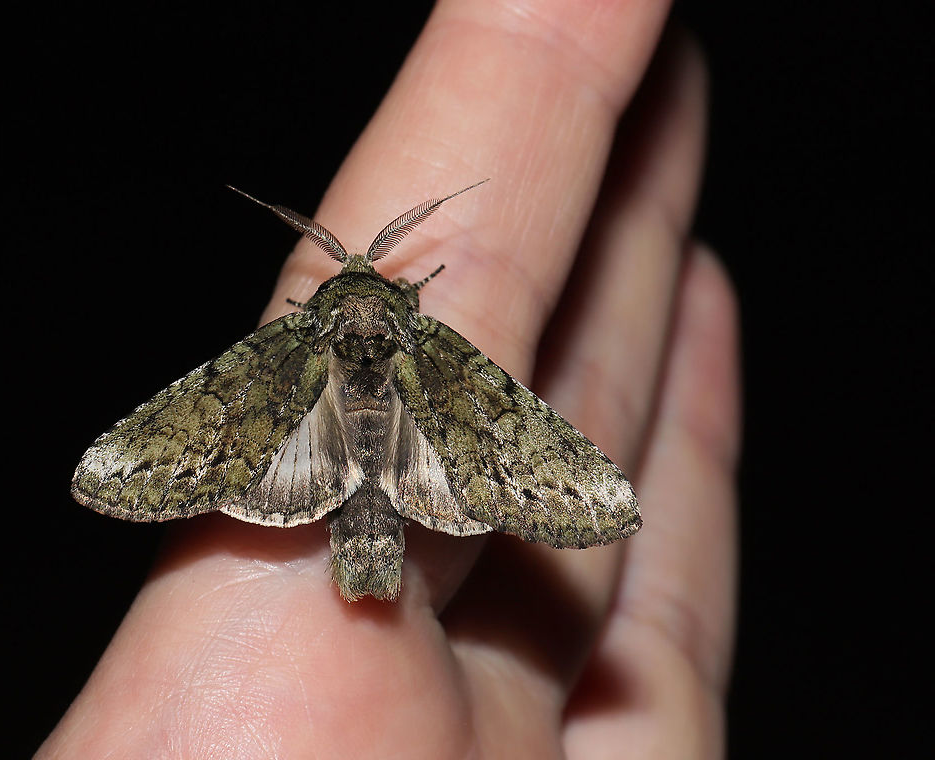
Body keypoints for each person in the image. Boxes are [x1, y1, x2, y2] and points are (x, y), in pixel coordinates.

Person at [38, 1, 740, 756]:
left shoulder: (297, 334)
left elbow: (154, 445)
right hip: (406, 457)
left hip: (315, 452)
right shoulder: (423, 338)